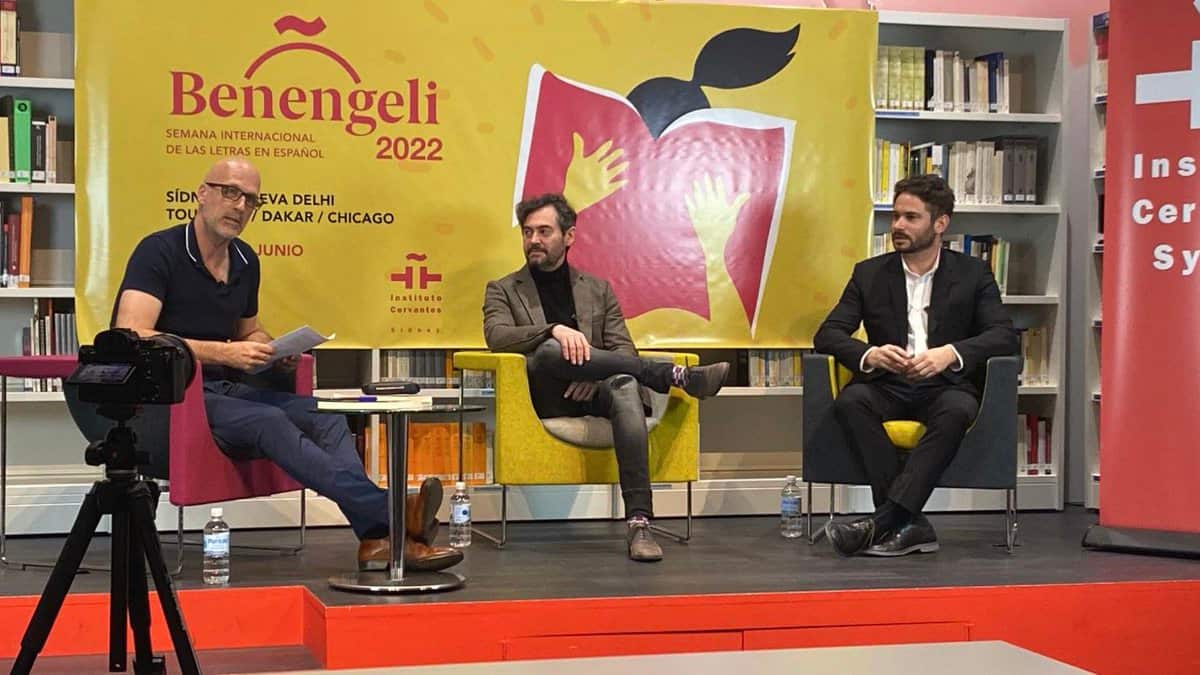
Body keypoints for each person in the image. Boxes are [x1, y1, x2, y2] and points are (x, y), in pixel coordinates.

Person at [111, 157, 461, 572]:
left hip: (225, 393)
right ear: (201, 195)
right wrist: (224, 353)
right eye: (230, 192)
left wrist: (272, 348)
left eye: (251, 200)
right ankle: (396, 515)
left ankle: (376, 536)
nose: (240, 206)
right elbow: (133, 334)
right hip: (169, 399)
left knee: (327, 416)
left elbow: (247, 333)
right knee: (268, 422)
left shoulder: (244, 261)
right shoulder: (160, 250)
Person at [483, 193, 731, 562]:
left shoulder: (597, 289)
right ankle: (673, 375)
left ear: (569, 236)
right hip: (545, 393)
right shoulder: (502, 289)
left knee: (627, 385)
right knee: (552, 350)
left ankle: (639, 522)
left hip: (596, 390)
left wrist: (594, 373)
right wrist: (553, 330)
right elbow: (497, 336)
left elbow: (622, 350)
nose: (533, 240)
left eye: (544, 231)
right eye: (528, 232)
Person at [813, 174, 1019, 557]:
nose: (898, 227)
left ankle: (881, 523)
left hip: (945, 384)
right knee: (851, 401)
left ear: (940, 223)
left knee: (957, 410)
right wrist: (869, 354)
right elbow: (828, 334)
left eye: (910, 218)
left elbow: (1003, 335)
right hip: (887, 383)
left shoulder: (973, 274)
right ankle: (908, 524)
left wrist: (949, 353)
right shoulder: (869, 273)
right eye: (895, 217)